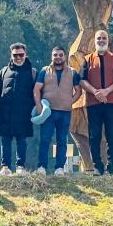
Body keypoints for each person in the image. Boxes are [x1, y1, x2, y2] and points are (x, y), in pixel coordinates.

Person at [79, 30, 113, 175]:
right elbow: (82, 80)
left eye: (104, 38)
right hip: (93, 103)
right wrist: (95, 92)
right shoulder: (87, 59)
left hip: (112, 102)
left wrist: (106, 91)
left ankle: (112, 167)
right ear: (94, 41)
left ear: (108, 40)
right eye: (98, 38)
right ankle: (97, 166)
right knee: (94, 135)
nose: (101, 40)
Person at [34, 46, 82, 175]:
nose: (58, 57)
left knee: (62, 140)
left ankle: (59, 168)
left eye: (61, 55)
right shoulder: (44, 70)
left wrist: (70, 102)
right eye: (55, 55)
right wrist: (38, 106)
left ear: (65, 56)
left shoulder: (73, 72)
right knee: (45, 139)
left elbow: (79, 91)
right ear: (52, 56)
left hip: (65, 112)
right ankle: (41, 167)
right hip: (48, 112)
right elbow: (37, 88)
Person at [0, 43, 37, 175]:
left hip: (24, 113)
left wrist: (36, 109)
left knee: (22, 141)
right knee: (5, 140)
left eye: (21, 55)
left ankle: (20, 167)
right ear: (11, 55)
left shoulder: (33, 72)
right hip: (5, 113)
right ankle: (5, 167)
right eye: (15, 55)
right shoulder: (4, 71)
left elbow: (37, 93)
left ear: (25, 54)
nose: (18, 57)